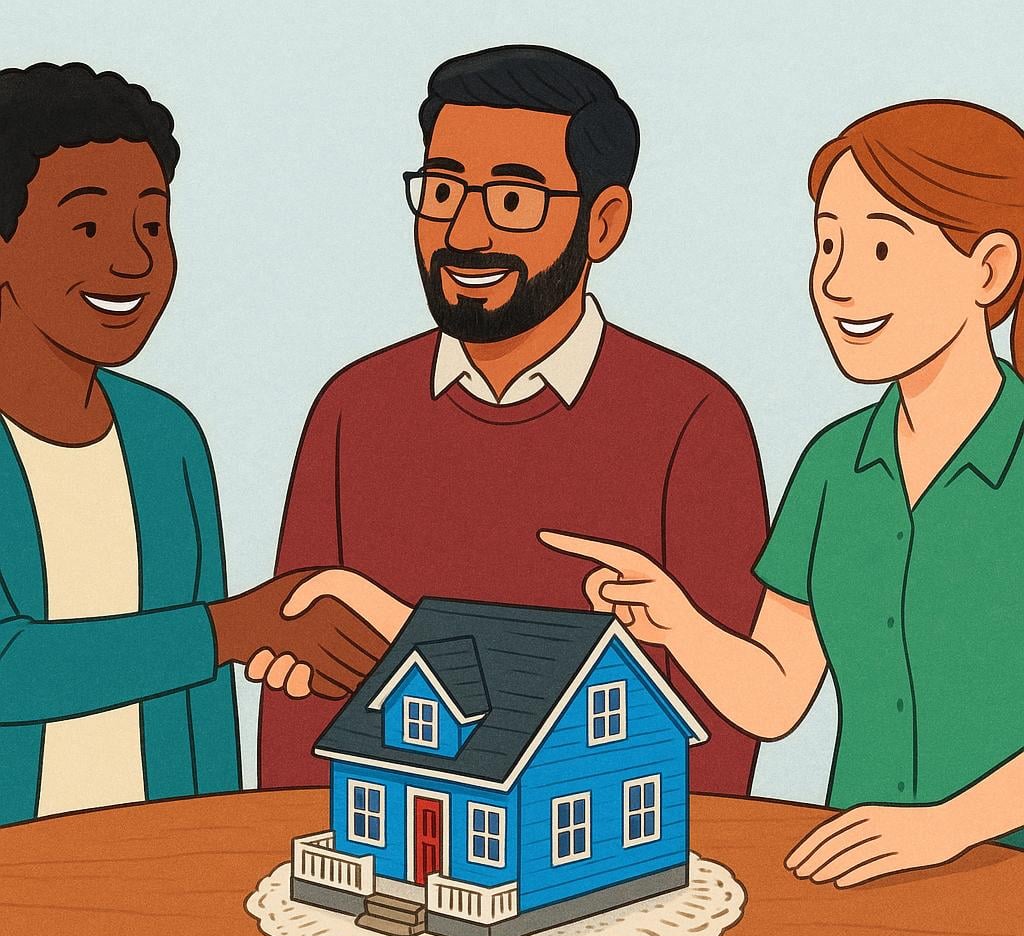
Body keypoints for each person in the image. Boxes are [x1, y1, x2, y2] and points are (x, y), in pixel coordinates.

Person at [253, 45, 769, 796]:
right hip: (382, 869)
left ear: (604, 223)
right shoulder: (353, 409)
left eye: (514, 201)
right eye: (441, 190)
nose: (464, 233)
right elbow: (301, 689)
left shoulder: (691, 417)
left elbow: (716, 720)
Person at [541, 99, 1024, 886]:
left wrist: (945, 829)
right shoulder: (834, 465)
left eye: (877, 248)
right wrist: (675, 619)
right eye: (825, 243)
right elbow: (776, 697)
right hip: (857, 878)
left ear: (990, 269)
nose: (835, 282)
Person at [0, 63, 386, 826]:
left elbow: (204, 696)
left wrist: (213, 852)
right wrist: (236, 628)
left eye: (152, 224)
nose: (134, 261)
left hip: (157, 866)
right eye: (87, 227)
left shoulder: (166, 438)